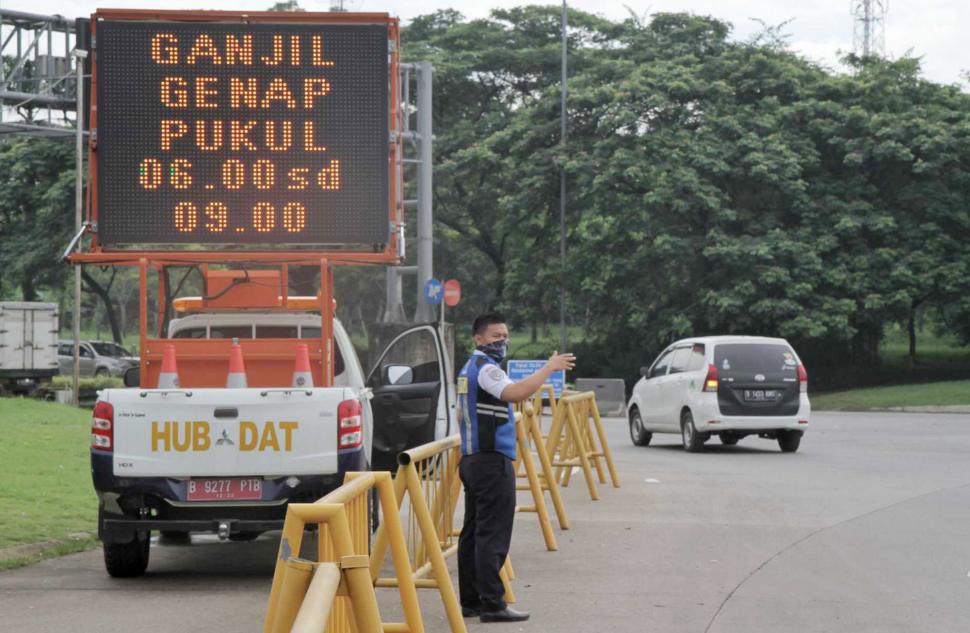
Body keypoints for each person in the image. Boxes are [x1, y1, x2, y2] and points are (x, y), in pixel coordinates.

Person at [456, 312, 575, 623]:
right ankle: (493, 604)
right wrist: (548, 368)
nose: (503, 341)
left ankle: (471, 601)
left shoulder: (468, 368)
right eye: (496, 336)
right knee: (491, 534)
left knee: (473, 533)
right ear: (478, 339)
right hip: (491, 459)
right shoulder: (486, 369)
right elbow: (516, 393)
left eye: (505, 335)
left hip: (472, 458)